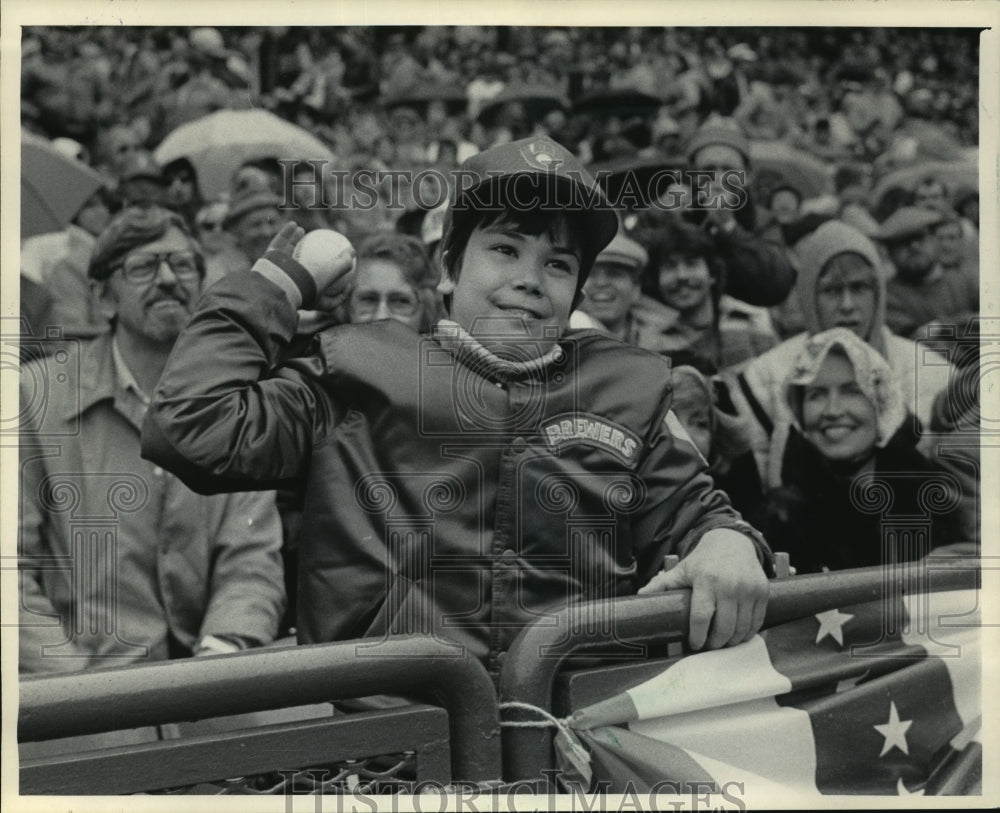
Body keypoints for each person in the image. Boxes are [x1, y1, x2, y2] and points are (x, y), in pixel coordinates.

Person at [142, 136, 772, 669]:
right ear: (448, 266)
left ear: (575, 290)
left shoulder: (629, 387)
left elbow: (696, 514)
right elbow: (190, 426)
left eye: (557, 263)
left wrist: (727, 541)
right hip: (389, 744)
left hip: (573, 741)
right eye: (504, 250)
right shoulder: (353, 367)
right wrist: (270, 290)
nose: (529, 278)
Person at [19, 206, 285, 674]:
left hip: (205, 685)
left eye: (183, 265)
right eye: (143, 267)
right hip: (78, 697)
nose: (167, 279)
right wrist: (77, 685)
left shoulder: (237, 403)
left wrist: (220, 656)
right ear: (102, 298)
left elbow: (251, 558)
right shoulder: (35, 396)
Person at [720, 219, 953, 478]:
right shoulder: (764, 379)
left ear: (879, 293)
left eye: (859, 288)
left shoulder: (935, 373)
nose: (847, 305)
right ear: (809, 296)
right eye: (831, 290)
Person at [760, 328, 973, 573]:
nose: (832, 410)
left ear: (881, 401)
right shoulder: (785, 515)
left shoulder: (927, 489)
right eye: (816, 395)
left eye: (852, 391)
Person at [677, 118, 797, 308]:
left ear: (747, 176)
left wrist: (730, 228)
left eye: (728, 170)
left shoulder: (762, 219)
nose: (718, 179)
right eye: (708, 170)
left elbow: (778, 282)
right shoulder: (680, 214)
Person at [640, 215, 779, 373]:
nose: (681, 275)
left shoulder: (752, 319)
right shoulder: (651, 344)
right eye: (669, 267)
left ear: (712, 273)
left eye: (691, 263)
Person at [877, 206, 979, 338]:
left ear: (935, 239)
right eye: (903, 242)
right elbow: (918, 342)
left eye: (919, 238)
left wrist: (942, 326)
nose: (914, 247)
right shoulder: (889, 297)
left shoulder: (965, 280)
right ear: (889, 252)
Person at [571, 231, 677, 349]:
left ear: (636, 289)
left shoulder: (669, 348)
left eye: (615, 274)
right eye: (590, 274)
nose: (601, 283)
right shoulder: (554, 346)